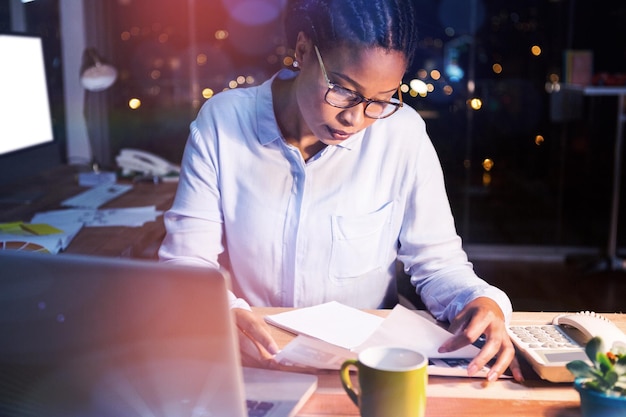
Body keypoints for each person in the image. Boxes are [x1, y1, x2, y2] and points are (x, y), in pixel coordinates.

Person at [158, 0, 523, 382]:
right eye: (344, 90)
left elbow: (437, 262)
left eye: (380, 101)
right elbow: (188, 261)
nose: (355, 118)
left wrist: (478, 301)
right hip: (253, 361)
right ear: (301, 51)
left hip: (363, 369)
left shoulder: (401, 135)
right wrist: (221, 311)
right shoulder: (223, 123)